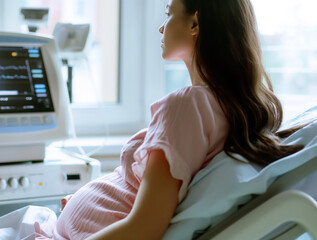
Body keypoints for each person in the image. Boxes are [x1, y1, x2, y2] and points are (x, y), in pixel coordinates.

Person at [53, 0, 304, 239]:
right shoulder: (235, 107)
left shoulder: (185, 106)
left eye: (168, 13)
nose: (161, 28)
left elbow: (143, 227)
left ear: (195, 24)